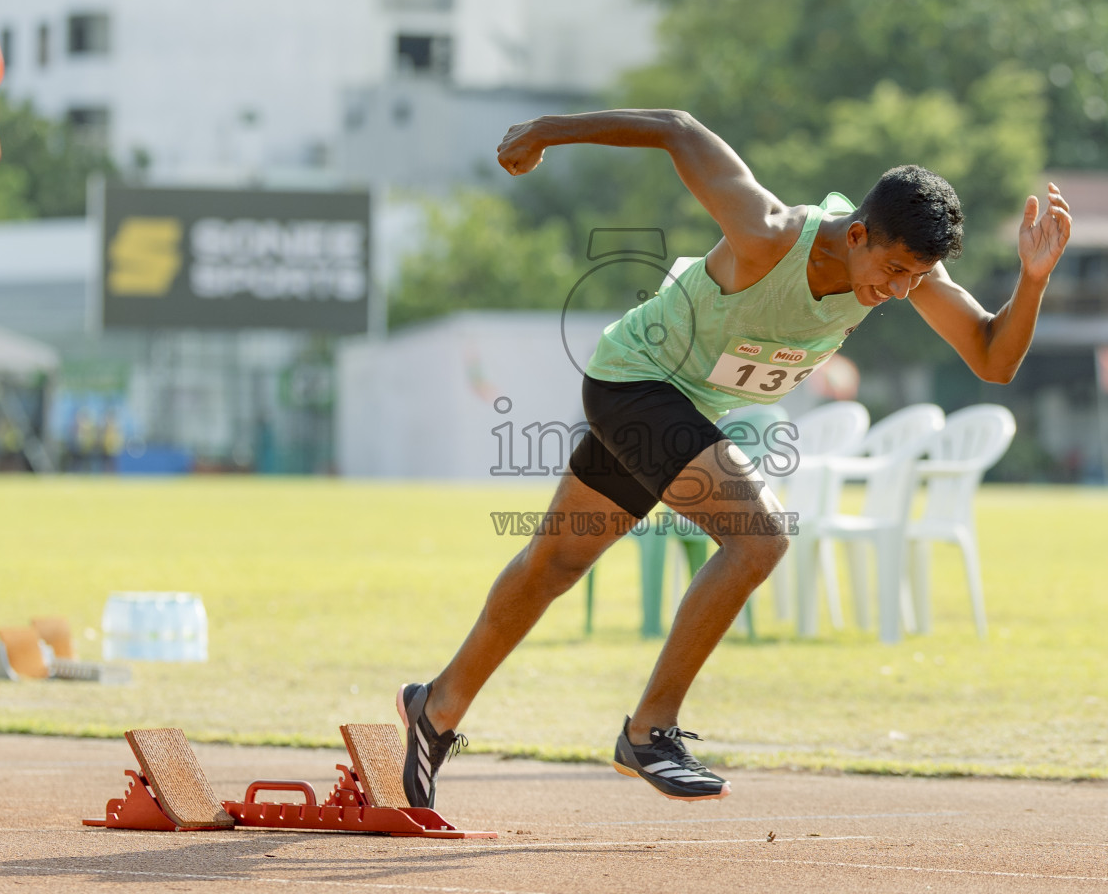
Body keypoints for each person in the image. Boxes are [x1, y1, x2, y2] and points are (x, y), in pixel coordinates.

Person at [397, 109, 1072, 806]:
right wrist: (546, 131)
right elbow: (678, 129)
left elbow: (993, 358)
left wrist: (1034, 279)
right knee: (760, 537)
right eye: (894, 270)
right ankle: (650, 729)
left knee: (553, 566)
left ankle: (434, 710)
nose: (899, 290)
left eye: (915, 276)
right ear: (859, 235)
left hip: (680, 405)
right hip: (636, 381)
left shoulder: (900, 270)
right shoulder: (769, 234)